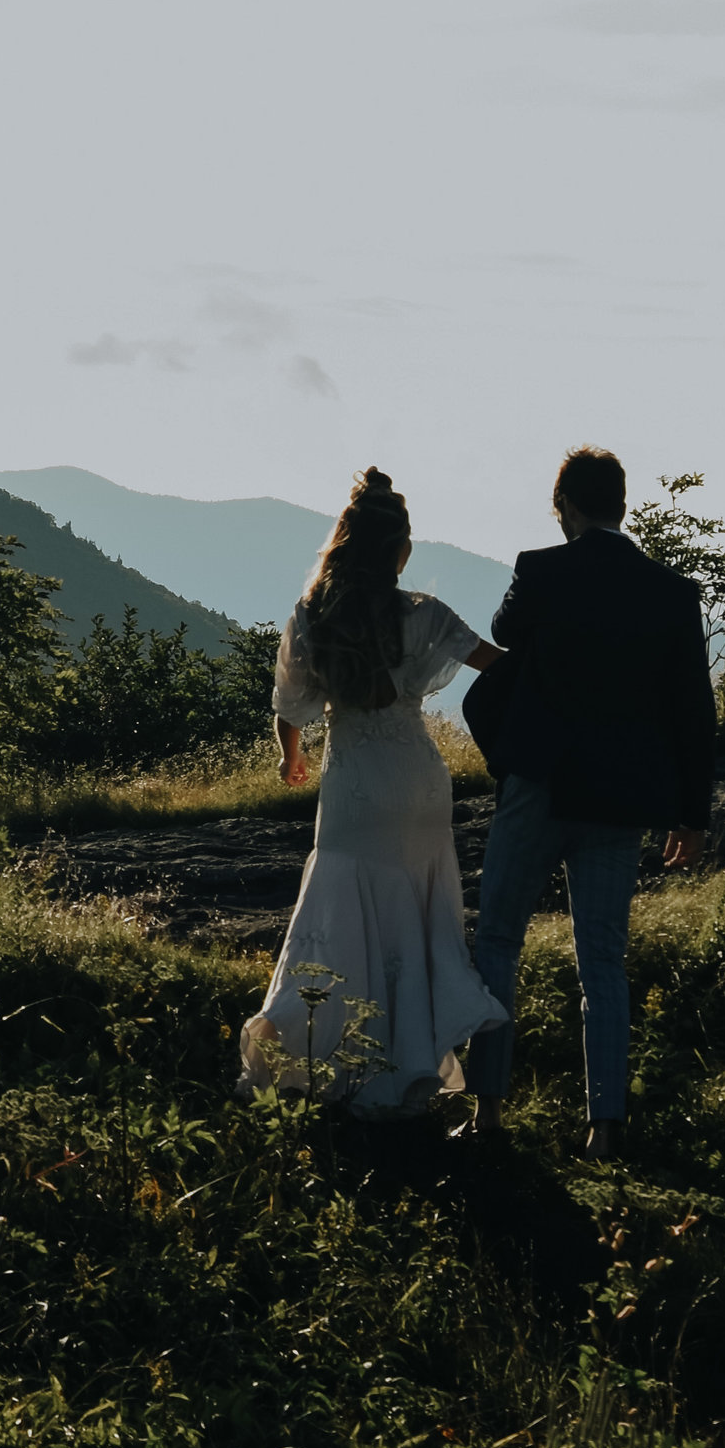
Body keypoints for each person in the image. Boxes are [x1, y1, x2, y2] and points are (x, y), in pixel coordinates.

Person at [464, 445, 715, 1161]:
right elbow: (694, 710)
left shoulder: (540, 570)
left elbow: (507, 634)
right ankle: (605, 1125)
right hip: (619, 804)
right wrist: (691, 815)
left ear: (566, 506)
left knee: (499, 941)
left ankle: (486, 1111)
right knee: (601, 959)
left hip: (538, 787)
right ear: (624, 505)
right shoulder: (671, 590)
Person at [239, 465, 511, 1115]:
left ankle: (323, 1060)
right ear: (400, 550)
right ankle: (415, 1068)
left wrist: (290, 758)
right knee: (417, 925)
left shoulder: (315, 613)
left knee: (341, 921)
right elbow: (500, 664)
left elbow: (288, 704)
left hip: (357, 788)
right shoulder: (424, 614)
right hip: (419, 785)